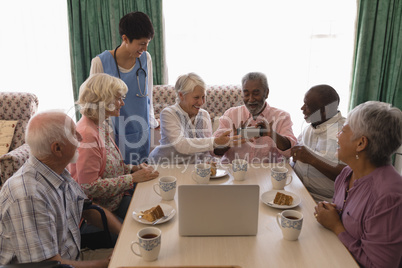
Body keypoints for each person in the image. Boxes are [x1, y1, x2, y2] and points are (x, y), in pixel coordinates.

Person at [0, 111, 121, 267]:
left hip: (73, 258)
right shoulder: (28, 195)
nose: (80, 137)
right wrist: (106, 264)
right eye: (73, 134)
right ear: (57, 148)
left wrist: (125, 233)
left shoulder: (58, 171)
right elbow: (50, 265)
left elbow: (88, 210)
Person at [314, 101, 402, 268]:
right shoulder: (347, 173)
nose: (337, 135)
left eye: (343, 130)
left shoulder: (389, 196)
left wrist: (336, 226)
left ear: (361, 143)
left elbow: (378, 265)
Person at [68, 73, 159, 220]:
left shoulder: (99, 124)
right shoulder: (86, 134)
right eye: (118, 98)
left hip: (117, 201)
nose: (122, 103)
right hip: (102, 214)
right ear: (103, 99)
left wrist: (132, 168)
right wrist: (132, 178)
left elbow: (109, 167)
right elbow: (88, 186)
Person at [90, 11, 158, 165]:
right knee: (121, 179)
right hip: (114, 134)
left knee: (142, 178)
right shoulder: (100, 63)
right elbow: (95, 106)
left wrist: (152, 123)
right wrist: (102, 137)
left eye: (147, 43)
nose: (145, 48)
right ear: (125, 38)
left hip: (142, 131)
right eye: (141, 44)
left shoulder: (146, 59)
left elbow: (148, 95)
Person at [148, 73, 243, 165]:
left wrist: (227, 144)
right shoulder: (168, 113)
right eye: (196, 97)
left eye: (203, 97)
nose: (201, 102)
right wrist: (215, 141)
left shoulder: (204, 115)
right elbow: (181, 145)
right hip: (164, 166)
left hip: (191, 169)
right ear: (181, 95)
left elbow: (208, 151)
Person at [214, 72, 297, 163]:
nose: (251, 99)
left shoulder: (282, 116)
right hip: (233, 172)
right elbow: (214, 151)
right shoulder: (230, 115)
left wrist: (272, 134)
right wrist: (231, 141)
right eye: (246, 94)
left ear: (266, 93)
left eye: (256, 93)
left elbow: (291, 152)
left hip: (266, 174)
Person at [291, 85, 346, 202]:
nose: (302, 108)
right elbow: (294, 156)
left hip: (326, 203)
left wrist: (312, 159)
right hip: (297, 193)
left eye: (307, 106)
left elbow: (350, 174)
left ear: (325, 112)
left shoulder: (346, 132)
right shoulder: (308, 129)